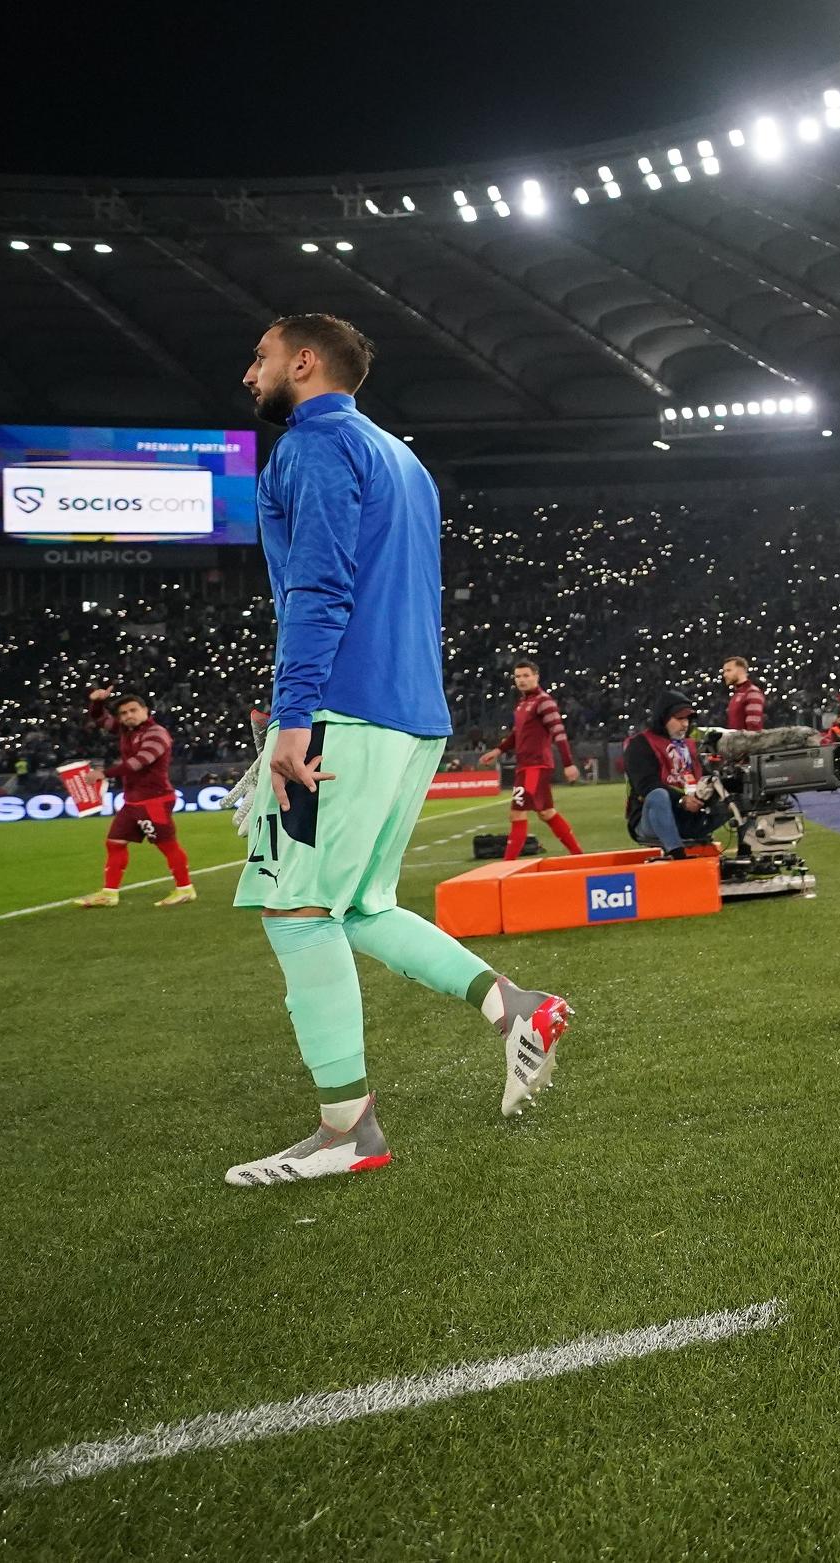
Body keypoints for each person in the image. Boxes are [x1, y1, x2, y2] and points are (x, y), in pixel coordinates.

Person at [225, 313, 570, 1186]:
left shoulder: (310, 444)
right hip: (413, 714)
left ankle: (348, 1130)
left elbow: (320, 583)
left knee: (298, 911)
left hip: (344, 709)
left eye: (261, 358)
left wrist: (291, 717)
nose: (248, 374)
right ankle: (513, 1006)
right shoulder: (403, 458)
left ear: (304, 362)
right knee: (363, 904)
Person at [74, 685, 195, 907]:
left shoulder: (156, 733)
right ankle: (109, 894)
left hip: (154, 799)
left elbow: (139, 762)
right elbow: (99, 719)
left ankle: (185, 889)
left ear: (145, 710)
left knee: (167, 845)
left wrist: (104, 773)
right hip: (133, 800)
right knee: (115, 842)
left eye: (133, 710)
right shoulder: (126, 731)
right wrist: (97, 701)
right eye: (123, 713)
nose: (128, 716)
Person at [478, 659, 583, 859]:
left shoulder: (544, 701)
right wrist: (499, 750)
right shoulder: (523, 703)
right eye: (518, 676)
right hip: (526, 766)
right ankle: (578, 855)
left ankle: (507, 864)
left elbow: (558, 732)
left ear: (536, 676)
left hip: (535, 766)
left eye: (526, 675)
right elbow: (517, 735)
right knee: (546, 812)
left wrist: (568, 763)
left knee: (517, 813)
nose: (522, 680)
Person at [624, 693, 723, 857]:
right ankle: (677, 854)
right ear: (663, 718)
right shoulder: (640, 744)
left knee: (743, 787)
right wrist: (681, 800)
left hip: (691, 817)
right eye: (679, 719)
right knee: (657, 795)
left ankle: (746, 851)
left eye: (687, 719)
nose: (685, 724)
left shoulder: (693, 746)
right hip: (650, 818)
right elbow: (646, 785)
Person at [722, 655, 768, 733]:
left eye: (728, 670)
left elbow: (753, 729)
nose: (724, 675)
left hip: (746, 744)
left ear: (740, 671)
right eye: (724, 671)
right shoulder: (737, 694)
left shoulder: (752, 693)